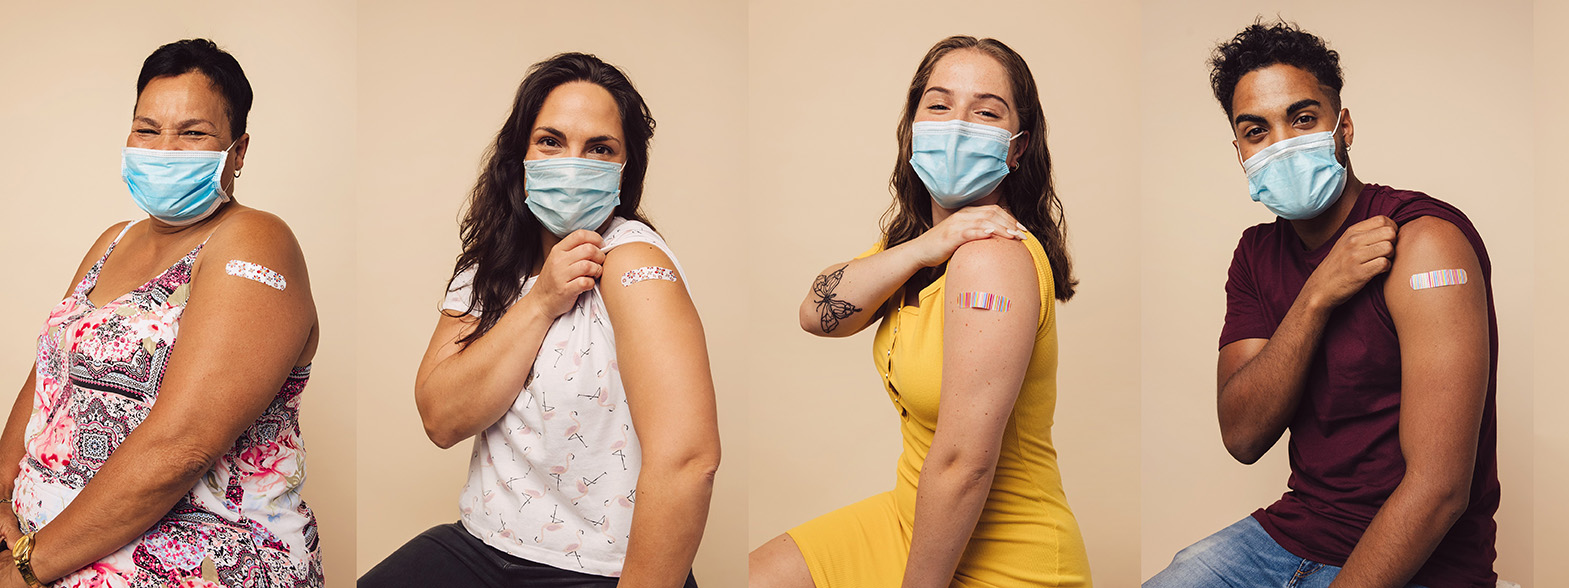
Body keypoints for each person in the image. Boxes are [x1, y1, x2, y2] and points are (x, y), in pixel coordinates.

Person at [1145, 20, 1500, 588]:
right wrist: (1315, 297)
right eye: (1256, 130)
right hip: (1294, 534)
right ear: (1239, 150)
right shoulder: (1256, 253)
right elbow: (1242, 435)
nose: (1282, 144)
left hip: (1422, 559)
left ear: (1345, 125)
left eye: (1303, 118)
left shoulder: (1424, 240)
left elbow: (1440, 491)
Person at [359, 53, 718, 588]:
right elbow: (441, 417)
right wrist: (542, 299)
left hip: (596, 571)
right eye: (551, 141)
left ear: (625, 170)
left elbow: (689, 460)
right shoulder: (492, 263)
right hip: (483, 544)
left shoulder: (634, 262)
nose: (572, 163)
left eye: (599, 148)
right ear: (520, 157)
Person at [747, 35, 1091, 588]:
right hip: (907, 516)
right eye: (938, 104)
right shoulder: (914, 247)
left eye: (986, 111)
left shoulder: (992, 260)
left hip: (1002, 552)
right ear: (911, 127)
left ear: (1016, 147)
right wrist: (926, 245)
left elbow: (964, 463)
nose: (957, 124)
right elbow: (815, 313)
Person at [0, 38, 322, 586]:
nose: (165, 149)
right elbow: (50, 384)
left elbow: (185, 443)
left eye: (193, 133)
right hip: (41, 547)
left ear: (238, 151)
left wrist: (27, 568)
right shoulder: (112, 241)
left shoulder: (254, 240)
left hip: (190, 561)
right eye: (148, 130)